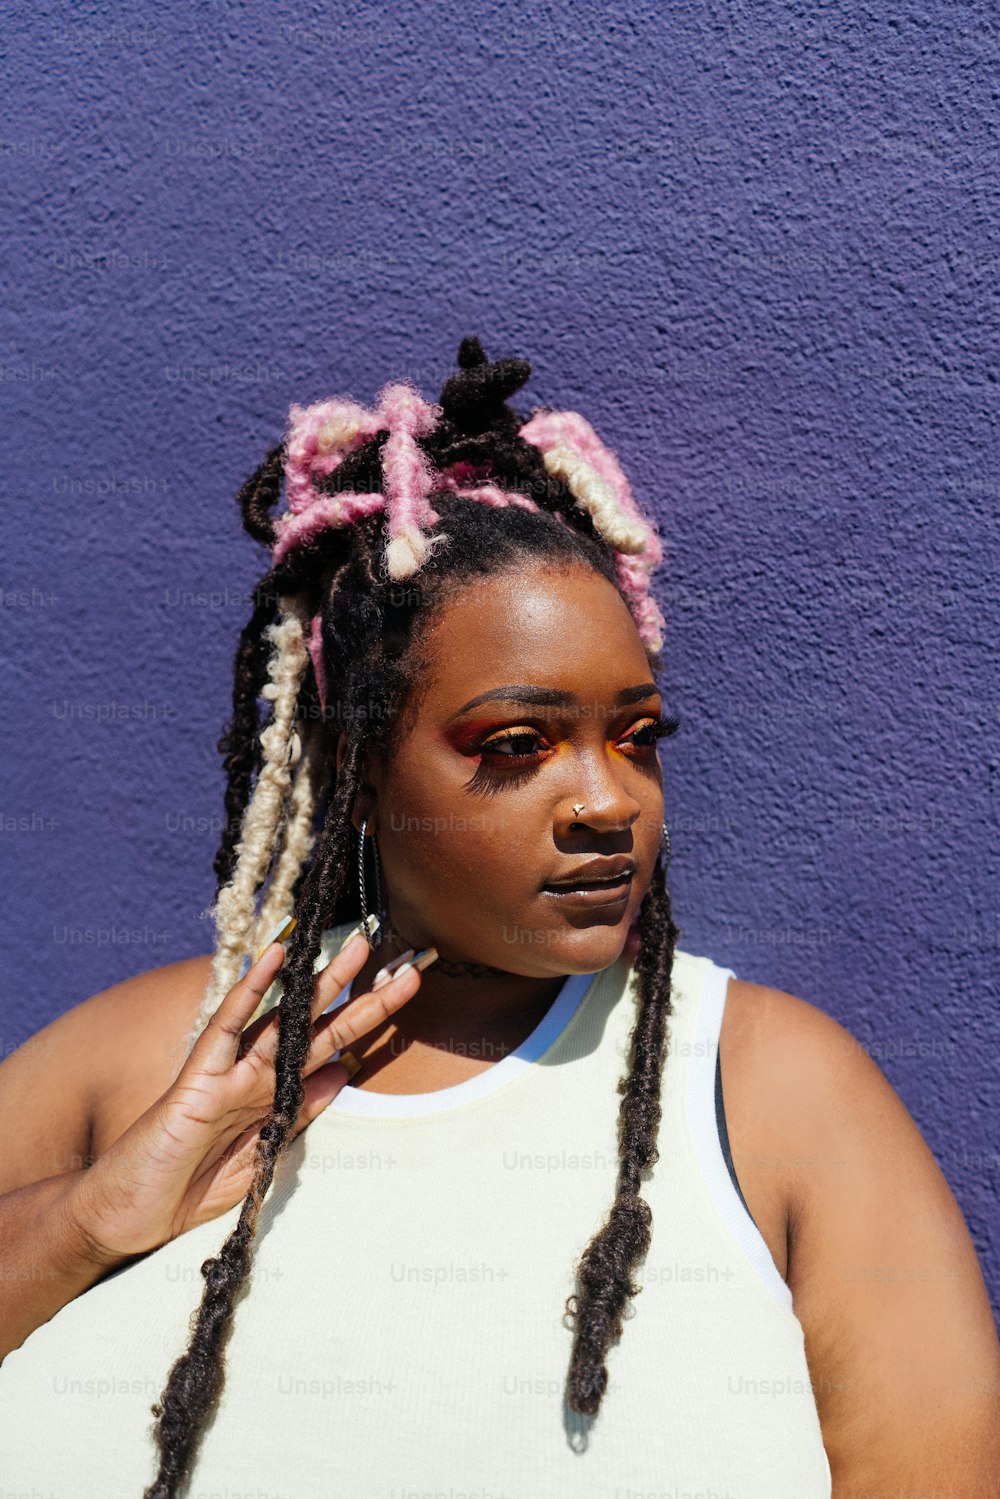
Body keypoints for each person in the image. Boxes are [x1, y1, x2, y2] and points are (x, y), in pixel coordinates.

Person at [0, 337, 996, 1498]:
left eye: (636, 738)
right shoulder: (146, 1060)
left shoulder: (770, 1090)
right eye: (517, 746)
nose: (607, 800)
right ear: (359, 773)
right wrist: (90, 1217)